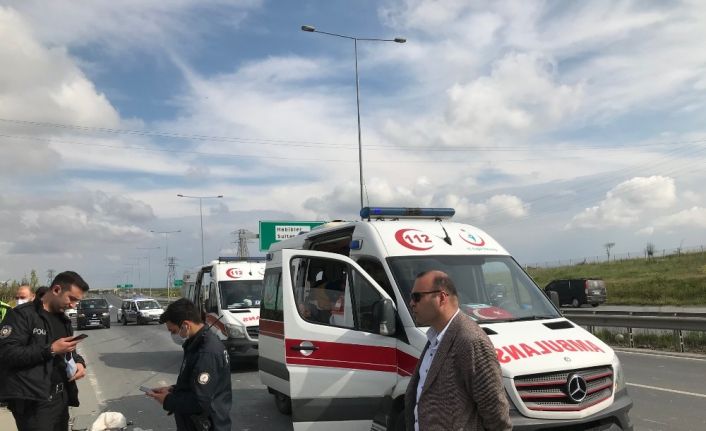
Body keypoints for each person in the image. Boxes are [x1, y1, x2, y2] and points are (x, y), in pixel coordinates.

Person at [405, 270, 512, 431]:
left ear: (441, 298)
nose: (411, 303)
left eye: (417, 297)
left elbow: (496, 414)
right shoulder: (435, 338)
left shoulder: (470, 340)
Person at [0, 271, 90, 431]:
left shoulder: (64, 320)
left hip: (61, 398)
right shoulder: (22, 315)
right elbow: (7, 353)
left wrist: (79, 362)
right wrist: (51, 349)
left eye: (77, 301)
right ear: (56, 290)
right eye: (71, 298)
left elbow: (69, 351)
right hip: (33, 403)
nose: (73, 305)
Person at [147, 298, 232, 431]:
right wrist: (173, 390)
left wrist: (167, 400)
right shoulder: (195, 344)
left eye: (173, 331)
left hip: (207, 425)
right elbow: (195, 383)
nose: (173, 335)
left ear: (186, 325)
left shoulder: (206, 352)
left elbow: (199, 401)